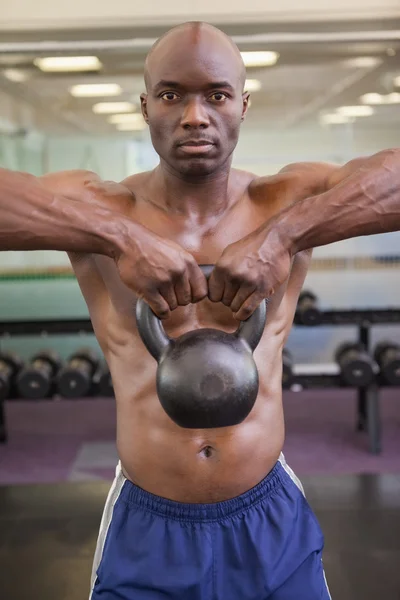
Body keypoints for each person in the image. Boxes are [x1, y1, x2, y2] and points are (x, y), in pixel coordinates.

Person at [0, 21, 399, 600]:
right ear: (145, 107)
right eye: (171, 95)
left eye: (215, 94)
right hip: (147, 522)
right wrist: (118, 237)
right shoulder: (97, 205)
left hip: (269, 516)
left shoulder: (288, 199)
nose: (194, 115)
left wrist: (282, 237)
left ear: (243, 104)